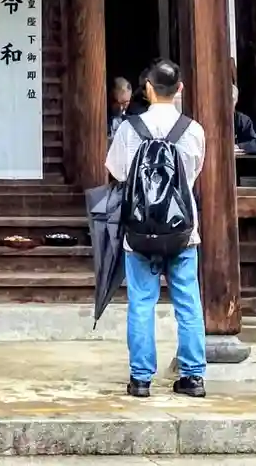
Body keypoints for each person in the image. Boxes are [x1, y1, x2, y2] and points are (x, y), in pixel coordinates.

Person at [107, 60, 209, 398]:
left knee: (141, 302)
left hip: (139, 231)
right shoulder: (193, 130)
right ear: (180, 89)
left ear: (147, 88)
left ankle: (141, 379)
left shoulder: (129, 128)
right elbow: (193, 174)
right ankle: (193, 377)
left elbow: (118, 173)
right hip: (182, 232)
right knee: (188, 302)